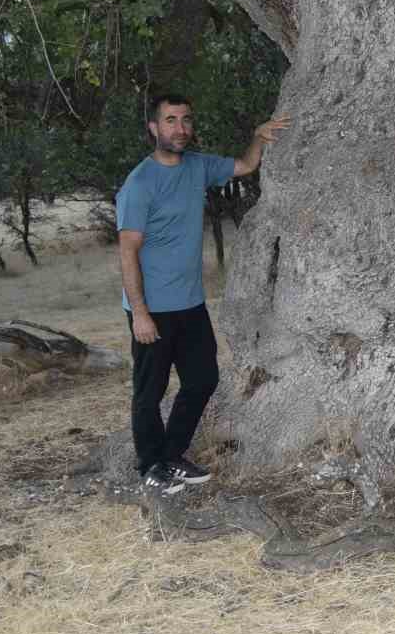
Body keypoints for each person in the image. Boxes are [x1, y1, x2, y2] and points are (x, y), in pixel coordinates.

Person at [116, 93, 291, 493]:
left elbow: (245, 165)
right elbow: (128, 250)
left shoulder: (197, 166)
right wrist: (139, 312)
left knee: (202, 379)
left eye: (186, 120)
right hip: (153, 307)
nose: (180, 128)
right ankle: (149, 466)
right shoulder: (140, 184)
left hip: (190, 303)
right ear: (154, 128)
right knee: (150, 390)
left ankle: (172, 455)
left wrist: (259, 137)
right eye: (171, 120)